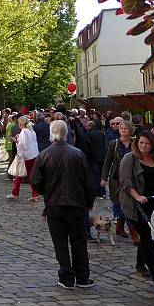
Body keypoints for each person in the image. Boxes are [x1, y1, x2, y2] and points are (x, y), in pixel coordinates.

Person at [31, 120, 96, 289]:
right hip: (76, 204)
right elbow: (89, 182)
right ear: (67, 133)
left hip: (54, 205)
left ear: (51, 133)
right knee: (78, 241)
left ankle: (67, 277)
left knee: (60, 242)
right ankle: (82, 276)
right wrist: (88, 202)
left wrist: (46, 192)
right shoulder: (78, 154)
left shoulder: (44, 154)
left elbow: (35, 182)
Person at [119, 131, 154, 278]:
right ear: (137, 143)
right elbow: (125, 181)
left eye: (147, 143)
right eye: (141, 142)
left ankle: (139, 263)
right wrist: (137, 196)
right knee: (147, 235)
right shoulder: (130, 158)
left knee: (146, 235)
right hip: (135, 203)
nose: (143, 146)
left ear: (153, 145)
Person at [101, 120, 137, 243]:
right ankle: (131, 232)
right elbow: (107, 162)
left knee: (128, 204)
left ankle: (120, 227)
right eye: (121, 128)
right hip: (116, 179)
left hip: (131, 179)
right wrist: (104, 178)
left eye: (125, 128)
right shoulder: (114, 144)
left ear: (130, 130)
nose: (122, 130)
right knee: (118, 204)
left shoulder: (135, 143)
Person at [8, 116, 40, 201]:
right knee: (31, 176)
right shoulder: (31, 131)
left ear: (20, 123)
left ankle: (15, 193)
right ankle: (35, 194)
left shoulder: (24, 132)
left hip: (25, 156)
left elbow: (23, 145)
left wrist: (16, 140)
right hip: (33, 155)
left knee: (18, 175)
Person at [85, 120, 107, 198]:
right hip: (102, 156)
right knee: (101, 174)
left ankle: (98, 191)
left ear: (90, 126)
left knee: (96, 175)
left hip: (93, 157)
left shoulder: (88, 134)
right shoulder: (101, 133)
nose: (85, 127)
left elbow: (87, 147)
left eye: (86, 126)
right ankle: (103, 191)